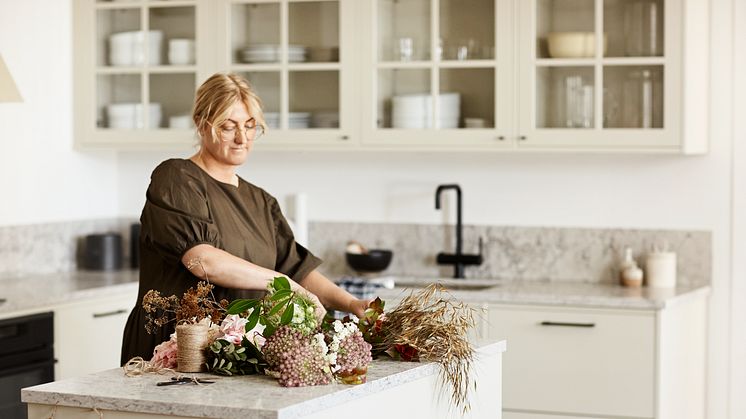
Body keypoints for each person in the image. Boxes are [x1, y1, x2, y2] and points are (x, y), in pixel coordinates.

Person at [121, 73, 370, 364]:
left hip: (234, 351)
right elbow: (203, 260)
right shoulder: (176, 178)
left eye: (250, 126)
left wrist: (352, 303)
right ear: (202, 125)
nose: (242, 138)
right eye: (228, 127)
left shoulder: (261, 201)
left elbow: (296, 268)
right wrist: (283, 284)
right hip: (176, 347)